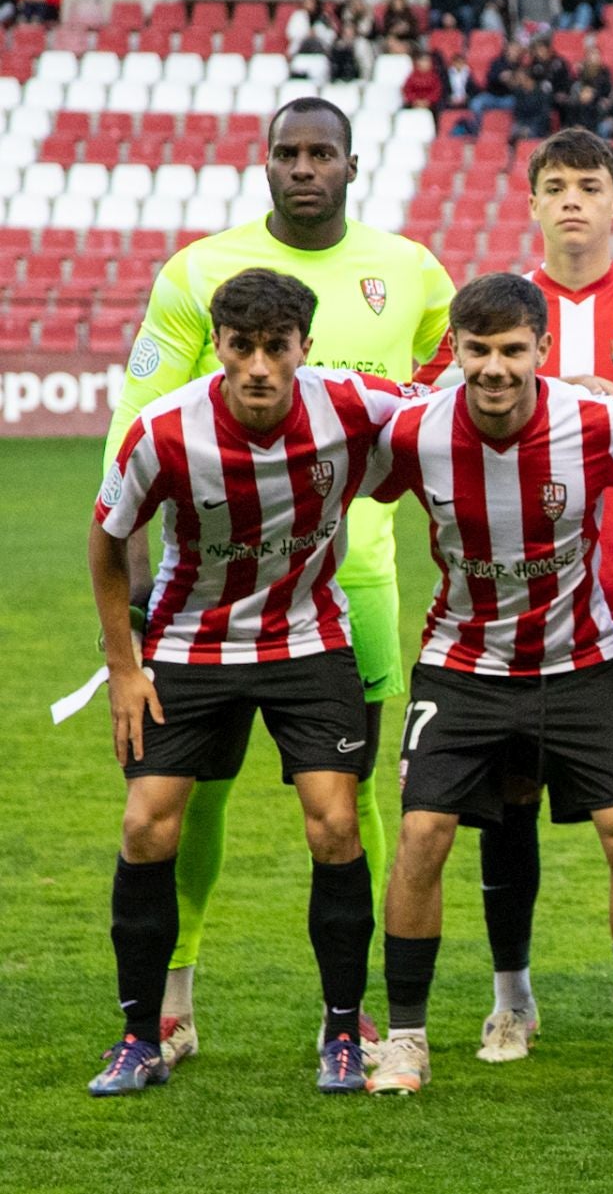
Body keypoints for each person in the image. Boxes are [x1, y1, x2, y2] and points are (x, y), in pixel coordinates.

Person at [101, 99, 456, 1070]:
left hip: (352, 583)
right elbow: (135, 426)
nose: (305, 169)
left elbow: (446, 390)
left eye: (321, 154)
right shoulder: (196, 272)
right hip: (206, 603)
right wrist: (130, 616)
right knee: (182, 802)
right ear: (265, 164)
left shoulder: (412, 267)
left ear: (350, 164)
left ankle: (359, 1013)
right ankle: (170, 1003)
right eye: (288, 154)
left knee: (348, 804)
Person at [410, 127, 613, 1063]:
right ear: (534, 202)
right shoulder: (499, 312)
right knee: (505, 812)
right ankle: (512, 998)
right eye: (557, 186)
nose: (575, 201)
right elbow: (433, 412)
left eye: (592, 185)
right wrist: (553, 383)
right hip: (511, 619)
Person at [86, 269, 414, 1095]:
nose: (260, 365)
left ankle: (343, 1031)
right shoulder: (164, 431)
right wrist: (124, 668)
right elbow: (106, 538)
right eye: (242, 347)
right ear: (219, 348)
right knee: (145, 827)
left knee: (336, 824)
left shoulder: (355, 404)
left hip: (308, 637)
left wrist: (579, 387)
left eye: (277, 347)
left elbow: (460, 401)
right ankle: (137, 1036)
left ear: (305, 347)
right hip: (189, 645)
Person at [361, 274, 613, 1096]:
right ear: (454, 350)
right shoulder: (417, 429)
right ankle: (405, 1038)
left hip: (582, 660)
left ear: (542, 349)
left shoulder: (596, 421)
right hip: (462, 665)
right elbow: (340, 465)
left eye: (511, 349)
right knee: (423, 836)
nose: (494, 367)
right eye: (477, 349)